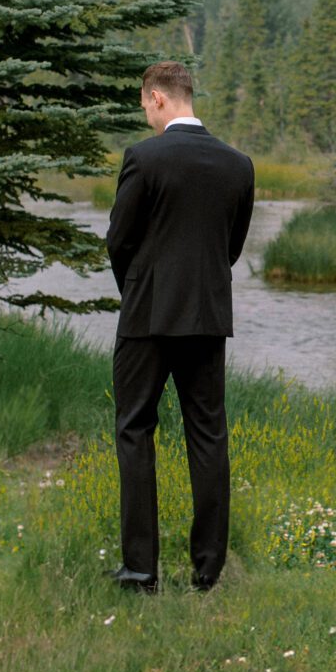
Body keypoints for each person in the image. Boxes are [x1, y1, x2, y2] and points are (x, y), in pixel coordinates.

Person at [105, 62, 255, 593]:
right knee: (209, 437)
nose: (146, 114)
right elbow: (229, 249)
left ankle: (141, 572)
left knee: (134, 433)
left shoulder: (143, 159)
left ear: (158, 98)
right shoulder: (238, 165)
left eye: (145, 105)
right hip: (207, 319)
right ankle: (208, 572)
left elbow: (118, 242)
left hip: (146, 317)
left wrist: (140, 290)